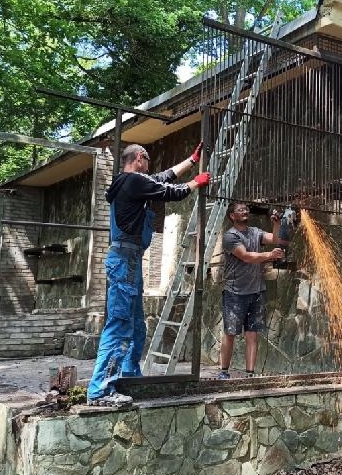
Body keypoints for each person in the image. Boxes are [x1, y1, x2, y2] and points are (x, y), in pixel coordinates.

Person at [87, 142, 210, 406]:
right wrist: (196, 183)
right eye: (148, 160)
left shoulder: (129, 182)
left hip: (129, 260)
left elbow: (163, 177)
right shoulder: (132, 181)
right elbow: (171, 191)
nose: (149, 166)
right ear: (140, 158)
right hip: (124, 260)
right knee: (120, 325)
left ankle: (129, 376)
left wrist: (191, 160)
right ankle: (100, 391)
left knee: (137, 326)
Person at [218, 202, 285, 380]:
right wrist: (269, 256)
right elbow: (246, 256)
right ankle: (224, 371)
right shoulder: (230, 236)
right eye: (240, 210)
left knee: (252, 333)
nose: (245, 211)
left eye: (246, 209)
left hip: (256, 291)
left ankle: (250, 374)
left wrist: (277, 224)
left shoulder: (255, 231)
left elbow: (275, 239)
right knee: (231, 333)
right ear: (232, 216)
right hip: (235, 292)